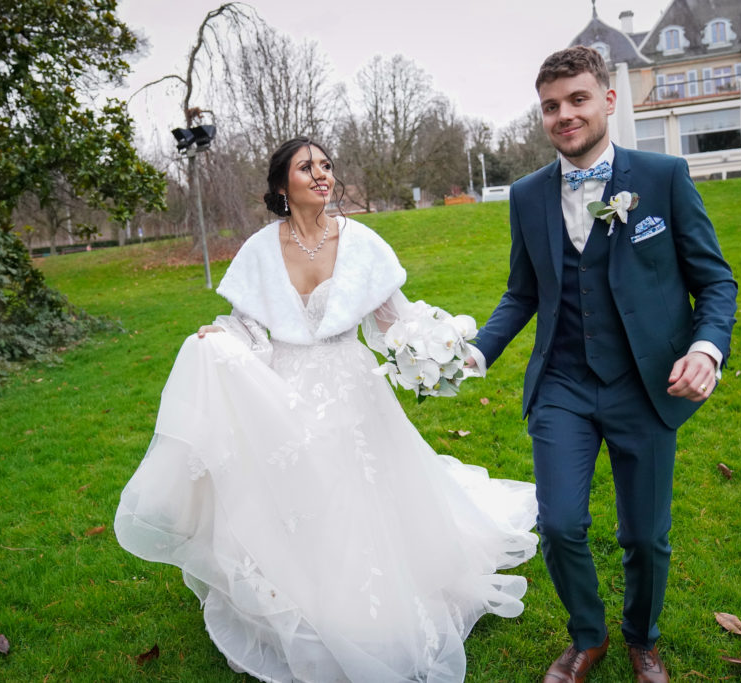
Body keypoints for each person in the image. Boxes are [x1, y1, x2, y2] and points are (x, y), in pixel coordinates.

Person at [114, 136, 539, 683]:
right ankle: (302, 590)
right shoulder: (260, 249)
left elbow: (393, 320)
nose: (322, 175)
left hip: (352, 383)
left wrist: (433, 347)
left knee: (358, 490)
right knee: (300, 495)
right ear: (280, 185)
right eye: (306, 167)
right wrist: (216, 337)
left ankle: (369, 598)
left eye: (326, 166)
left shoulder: (362, 243)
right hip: (284, 387)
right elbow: (247, 326)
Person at [468, 47, 737, 683]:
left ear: (608, 100)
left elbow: (716, 282)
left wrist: (705, 348)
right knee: (560, 524)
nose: (564, 115)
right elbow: (523, 291)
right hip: (562, 383)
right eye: (551, 106)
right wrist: (480, 348)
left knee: (644, 537)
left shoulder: (663, 178)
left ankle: (643, 638)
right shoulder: (529, 195)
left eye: (577, 100)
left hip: (645, 384)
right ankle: (587, 636)